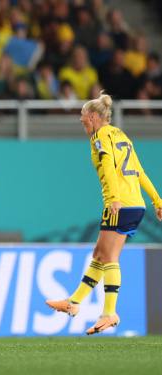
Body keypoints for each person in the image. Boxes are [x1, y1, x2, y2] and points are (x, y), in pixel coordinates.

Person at [46, 92, 162, 335]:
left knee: (109, 257)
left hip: (120, 203)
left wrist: (113, 199)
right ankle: (74, 302)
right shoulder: (121, 135)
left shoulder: (100, 136)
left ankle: (109, 313)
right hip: (135, 203)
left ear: (92, 116)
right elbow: (139, 171)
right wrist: (156, 200)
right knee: (99, 254)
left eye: (82, 116)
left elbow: (108, 165)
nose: (80, 121)